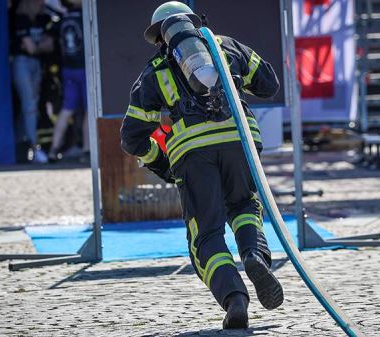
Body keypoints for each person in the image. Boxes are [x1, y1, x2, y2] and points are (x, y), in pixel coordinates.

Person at [120, 1, 283, 329]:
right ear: (195, 24)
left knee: (205, 234)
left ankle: (235, 300)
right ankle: (253, 256)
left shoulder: (154, 71)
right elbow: (269, 84)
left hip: (193, 154)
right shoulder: (226, 46)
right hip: (240, 141)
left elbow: (132, 138)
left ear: (159, 38)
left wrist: (163, 164)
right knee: (244, 208)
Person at [11, 0, 54, 163]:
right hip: (21, 62)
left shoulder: (43, 18)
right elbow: (31, 48)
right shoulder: (19, 18)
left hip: (36, 63)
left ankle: (23, 147)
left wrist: (37, 47)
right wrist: (38, 46)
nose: (41, 3)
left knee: (31, 107)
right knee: (29, 105)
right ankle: (34, 148)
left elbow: (49, 46)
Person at [48, 0, 89, 161]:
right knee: (89, 110)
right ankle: (87, 151)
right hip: (84, 69)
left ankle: (53, 150)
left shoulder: (63, 18)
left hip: (68, 69)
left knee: (66, 109)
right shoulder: (85, 17)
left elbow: (61, 45)